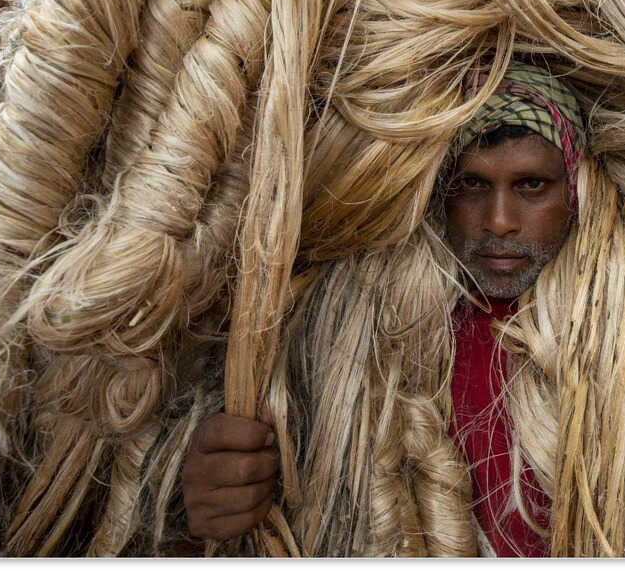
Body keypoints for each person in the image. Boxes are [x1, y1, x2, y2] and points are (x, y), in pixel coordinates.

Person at [182, 62, 586, 556]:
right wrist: (210, 500)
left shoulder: (616, 339)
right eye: (472, 185)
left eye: (530, 186)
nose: (498, 222)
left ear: (575, 191)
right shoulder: (370, 335)